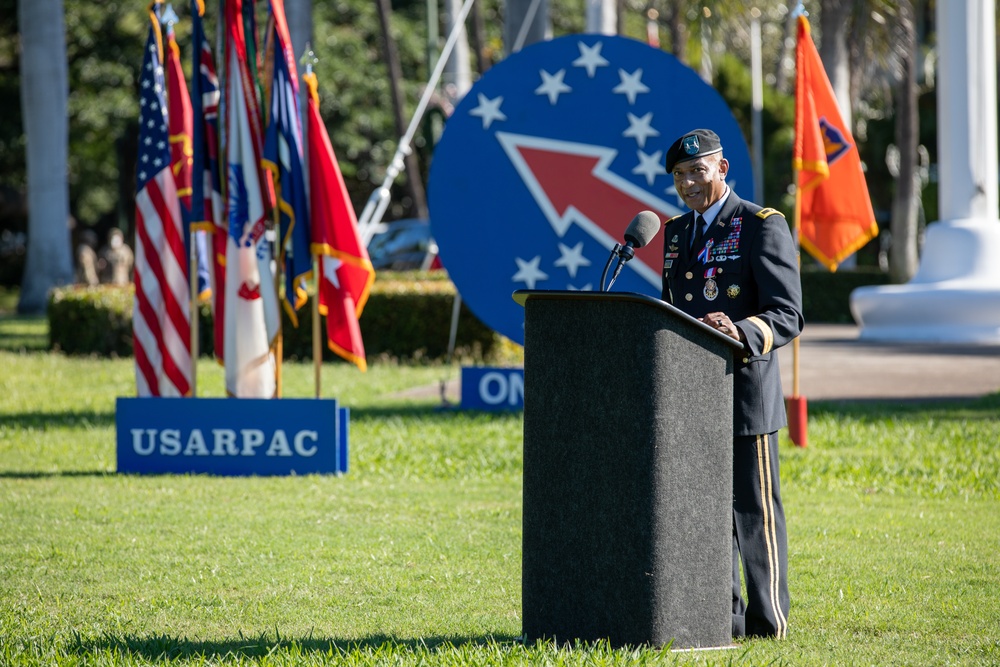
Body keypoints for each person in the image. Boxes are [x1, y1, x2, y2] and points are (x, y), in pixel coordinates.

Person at [661, 128, 804, 639]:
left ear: (722, 169)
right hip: (689, 394)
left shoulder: (761, 225)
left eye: (697, 171)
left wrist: (739, 330)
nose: (688, 183)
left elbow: (788, 314)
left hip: (745, 396)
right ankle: (724, 620)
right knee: (704, 516)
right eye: (679, 176)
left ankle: (769, 624)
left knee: (754, 513)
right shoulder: (675, 234)